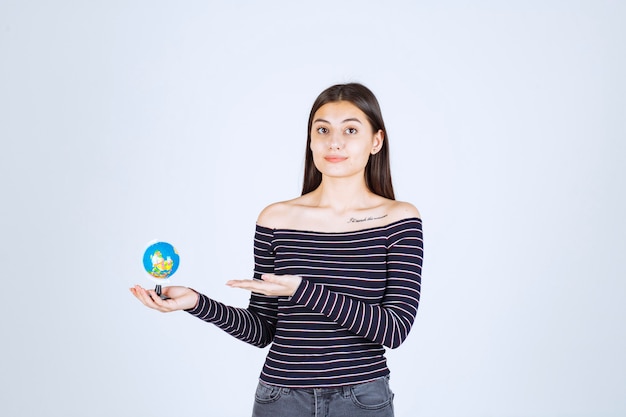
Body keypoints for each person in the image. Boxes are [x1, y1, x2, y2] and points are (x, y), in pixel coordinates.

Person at [130, 82, 424, 417]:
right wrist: (196, 302)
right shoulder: (276, 219)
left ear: (376, 141)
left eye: (351, 130)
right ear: (311, 139)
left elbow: (394, 329)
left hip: (362, 399)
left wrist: (302, 290)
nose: (334, 142)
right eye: (322, 129)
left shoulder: (398, 218)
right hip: (281, 399)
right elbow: (262, 329)